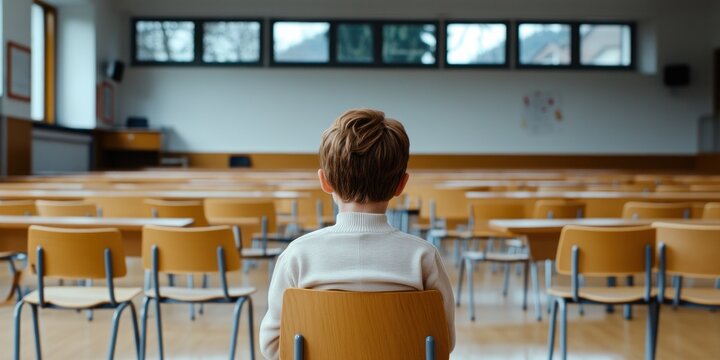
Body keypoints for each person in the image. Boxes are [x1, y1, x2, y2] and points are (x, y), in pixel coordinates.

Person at [259, 108, 455, 359]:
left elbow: (273, 345)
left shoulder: (297, 255)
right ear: (401, 185)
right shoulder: (423, 256)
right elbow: (442, 342)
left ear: (324, 181)